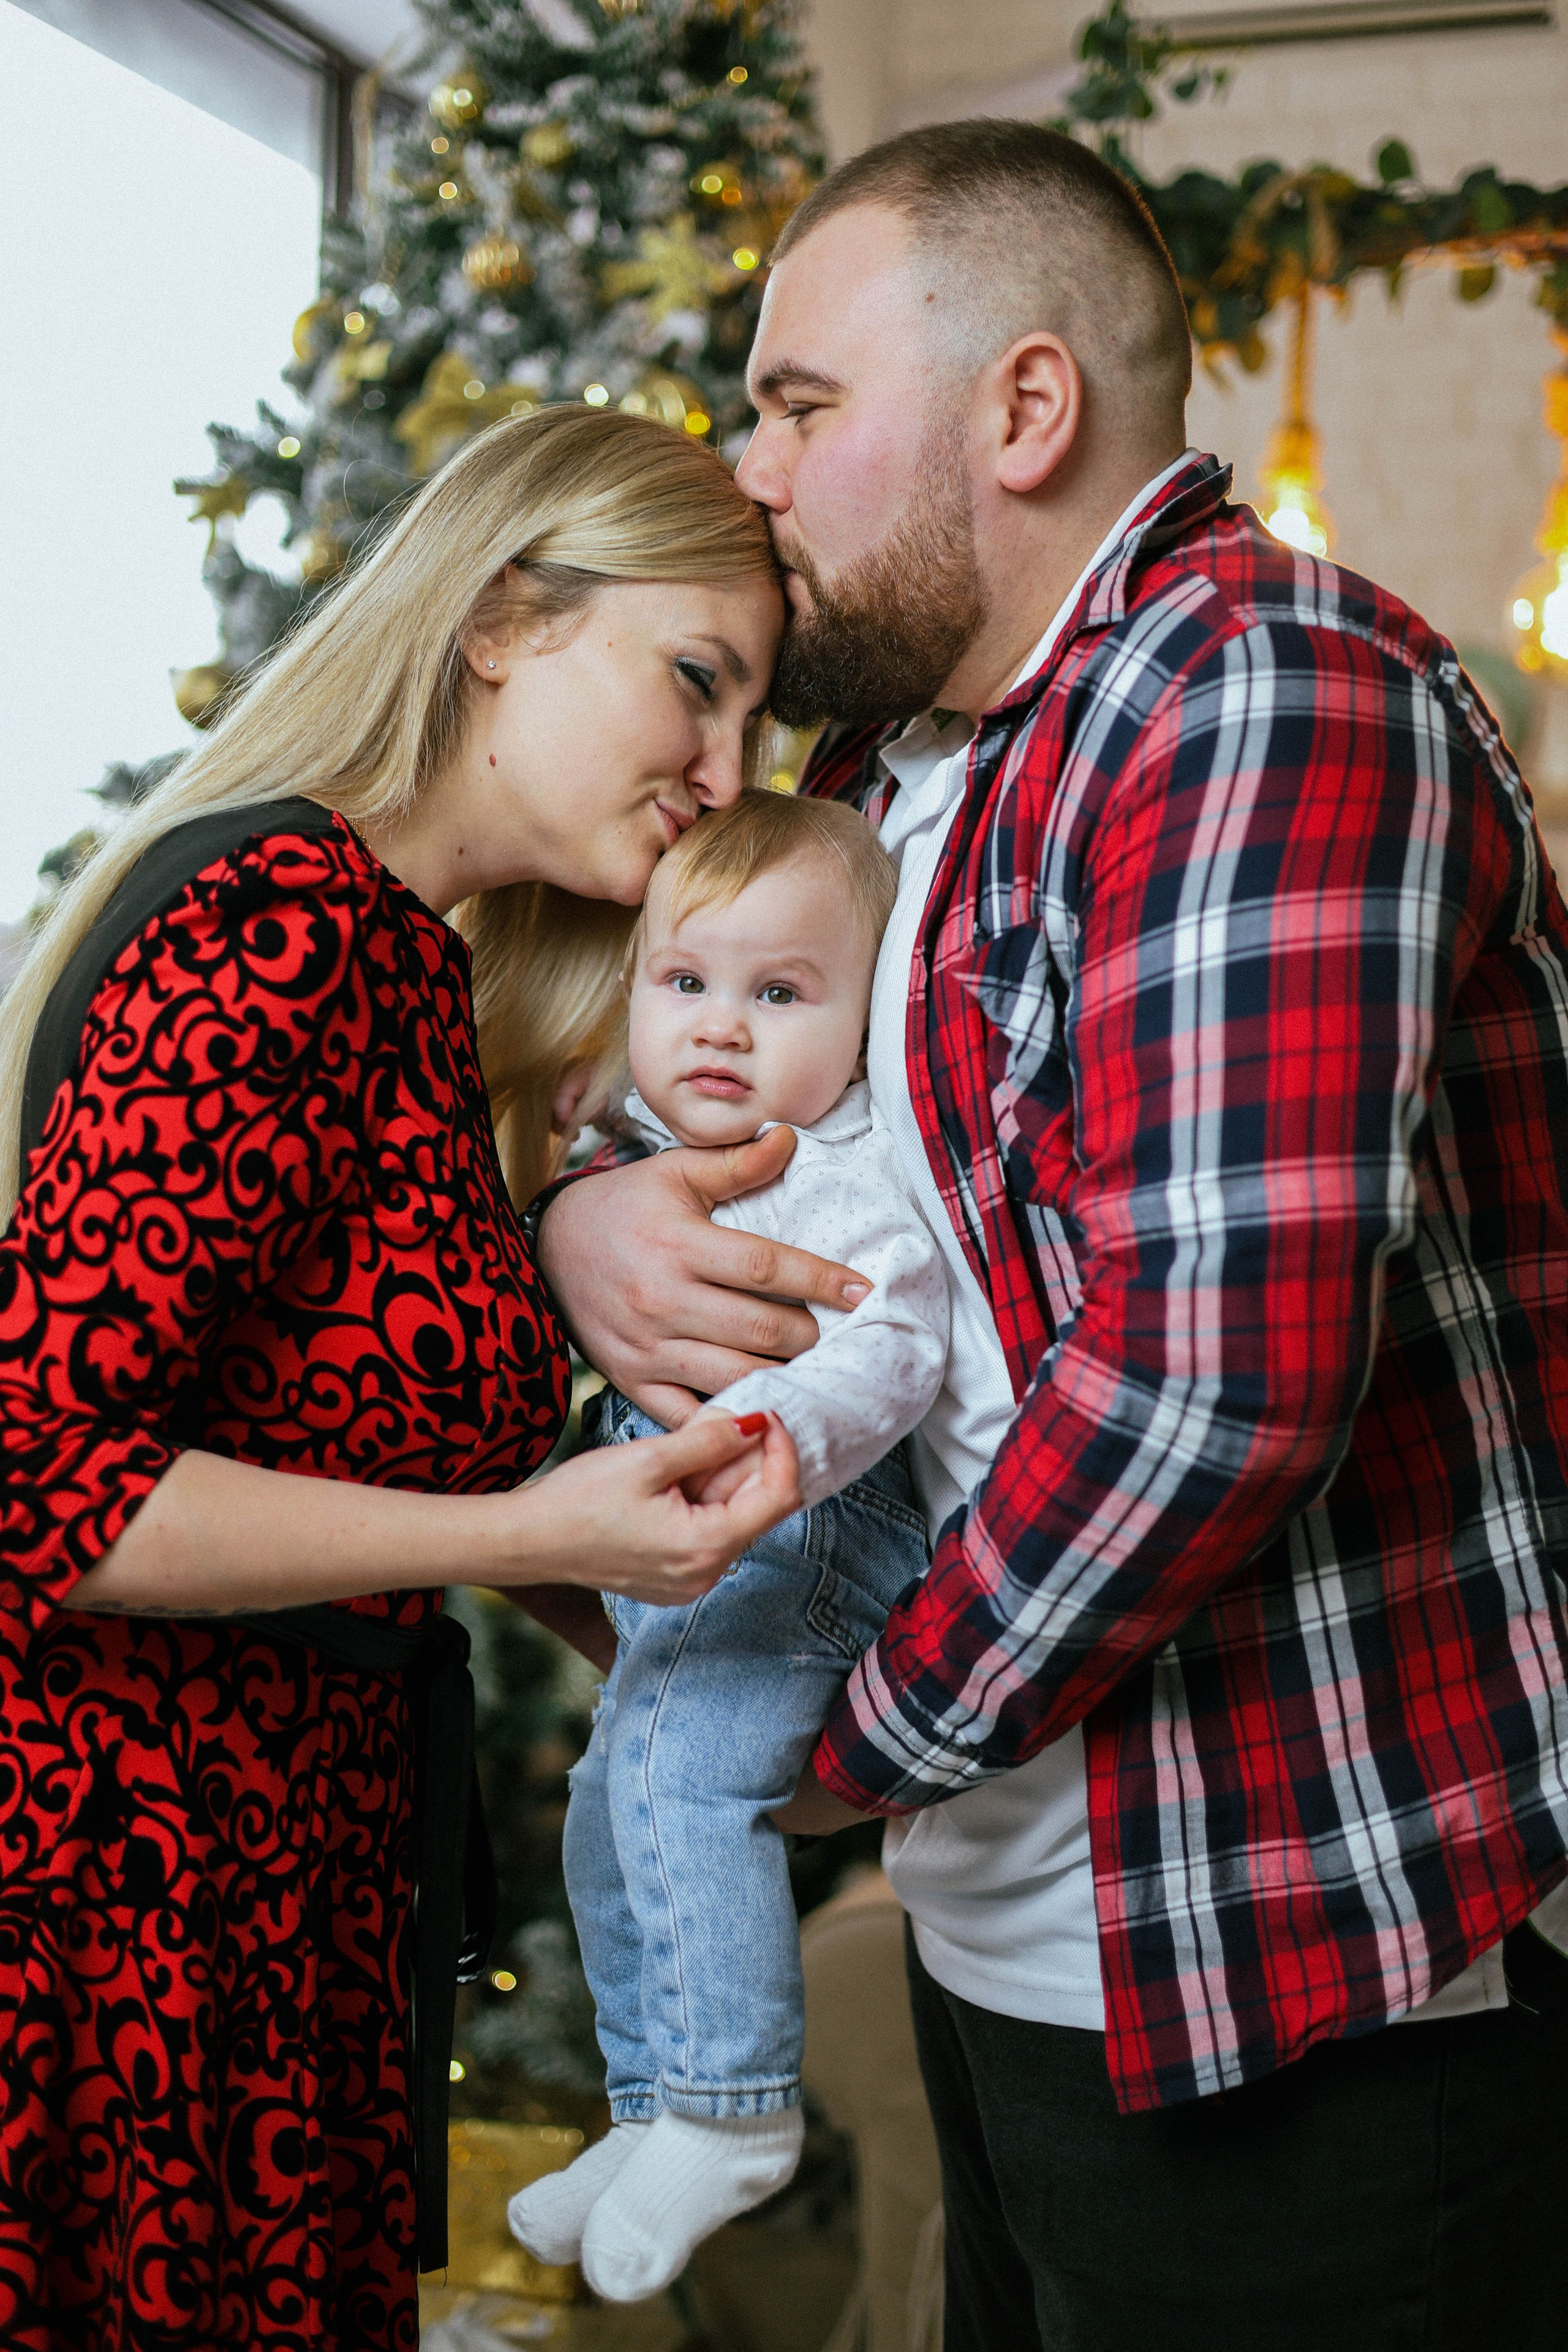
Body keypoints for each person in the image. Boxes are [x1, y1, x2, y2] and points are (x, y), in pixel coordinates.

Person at [537, 123, 1568, 2348]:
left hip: (1292, 1956)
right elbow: (722, 1091)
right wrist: (585, 1210)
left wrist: (839, 1744)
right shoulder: (895, 762)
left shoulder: (1258, 690)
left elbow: (1214, 1384)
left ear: (1024, 409)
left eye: (801, 403)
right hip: (1002, 1928)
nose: (751, 473)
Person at [0, 405, 843, 2352]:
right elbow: (42, 1473)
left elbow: (326, 1433)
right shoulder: (281, 926)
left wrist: (676, 1647)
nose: (725, 774)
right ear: (502, 621)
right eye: (694, 680)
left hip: (271, 1905)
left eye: (756, 721)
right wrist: (529, 1535)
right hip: (122, 1921)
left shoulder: (414, 969)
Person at [510, 789, 945, 2303]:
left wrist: (777, 1448)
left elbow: (896, 1346)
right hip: (720, 1529)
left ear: (862, 1018)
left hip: (810, 1529)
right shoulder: (632, 1153)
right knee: (611, 1801)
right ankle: (649, 2103)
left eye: (778, 994)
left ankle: (731, 2107)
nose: (718, 1026)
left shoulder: (841, 1169)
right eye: (685, 981)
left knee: (687, 1786)